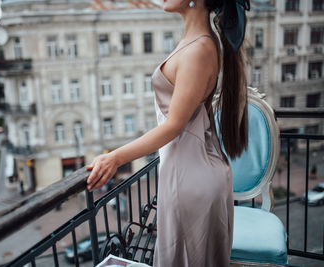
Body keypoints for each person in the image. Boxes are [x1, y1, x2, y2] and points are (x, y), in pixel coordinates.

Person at [86, 0, 250, 266]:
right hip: (186, 172)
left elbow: (174, 125)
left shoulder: (200, 48)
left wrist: (115, 157)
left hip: (191, 177)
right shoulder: (196, 42)